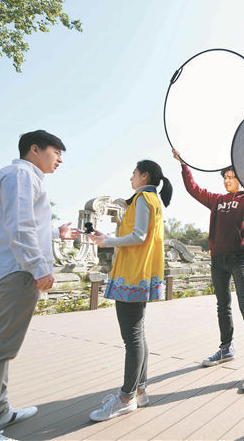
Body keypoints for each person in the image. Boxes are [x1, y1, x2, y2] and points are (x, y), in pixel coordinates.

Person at [0, 131, 78, 441]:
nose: (60, 159)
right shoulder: (22, 174)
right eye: (57, 152)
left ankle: (1, 411)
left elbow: (25, 222)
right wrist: (40, 268)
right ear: (35, 149)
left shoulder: (21, 176)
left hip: (10, 270)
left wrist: (56, 230)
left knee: (2, 346)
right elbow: (20, 225)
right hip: (16, 271)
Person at [172, 149, 244, 391]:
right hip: (218, 260)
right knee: (222, 305)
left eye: (231, 176)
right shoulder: (217, 201)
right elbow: (193, 189)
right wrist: (184, 165)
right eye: (224, 177)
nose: (227, 180)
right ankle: (226, 348)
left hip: (240, 259)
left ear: (241, 178)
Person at [87, 160, 172, 421]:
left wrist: (106, 241)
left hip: (132, 275)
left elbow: (138, 236)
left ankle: (126, 398)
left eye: (134, 173)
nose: (131, 177)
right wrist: (106, 236)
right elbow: (138, 233)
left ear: (144, 175)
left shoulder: (143, 198)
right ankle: (140, 391)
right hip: (141, 274)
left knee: (132, 337)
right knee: (138, 333)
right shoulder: (151, 199)